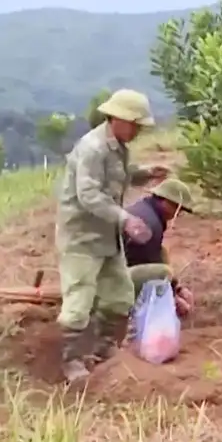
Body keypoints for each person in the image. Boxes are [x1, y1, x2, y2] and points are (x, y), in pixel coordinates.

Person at [54, 88, 169, 383]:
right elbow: (89, 193)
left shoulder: (116, 146)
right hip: (82, 238)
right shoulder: (92, 148)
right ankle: (72, 362)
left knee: (119, 296)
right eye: (135, 124)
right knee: (79, 299)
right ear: (118, 118)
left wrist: (144, 174)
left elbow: (118, 174)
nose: (137, 131)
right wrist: (125, 218)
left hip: (106, 236)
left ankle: (104, 351)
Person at [122, 177, 197, 318]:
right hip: (107, 281)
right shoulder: (150, 223)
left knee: (161, 253)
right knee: (163, 271)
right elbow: (147, 264)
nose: (178, 213)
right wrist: (172, 297)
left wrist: (177, 288)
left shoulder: (143, 210)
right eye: (177, 207)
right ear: (164, 201)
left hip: (112, 269)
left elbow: (154, 255)